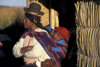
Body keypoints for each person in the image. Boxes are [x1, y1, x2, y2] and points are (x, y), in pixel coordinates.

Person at [13, 3, 65, 67]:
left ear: (33, 21)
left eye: (26, 19)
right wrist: (27, 48)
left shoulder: (42, 34)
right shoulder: (26, 34)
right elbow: (14, 51)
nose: (23, 21)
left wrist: (22, 53)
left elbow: (35, 53)